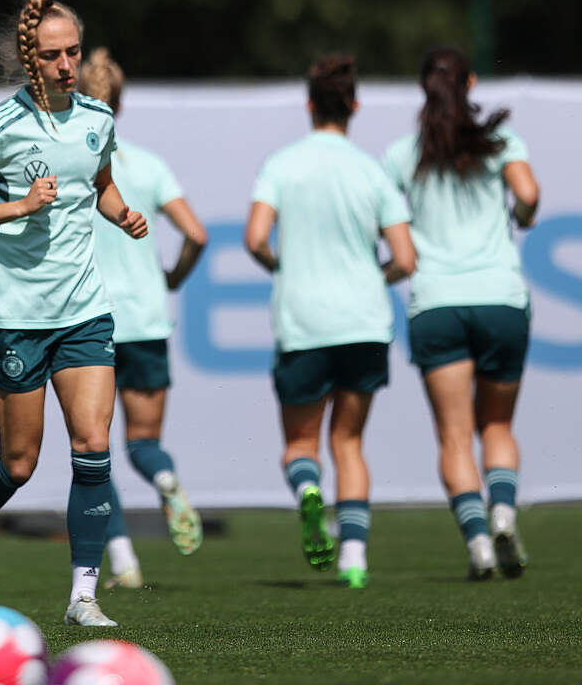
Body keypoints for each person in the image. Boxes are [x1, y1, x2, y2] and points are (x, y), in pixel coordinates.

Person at [0, 0, 147, 627]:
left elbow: (100, 186)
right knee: (19, 463)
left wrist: (122, 213)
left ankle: (84, 594)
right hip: (17, 315)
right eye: (53, 55)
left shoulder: (97, 120)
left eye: (73, 52)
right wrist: (20, 205)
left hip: (83, 309)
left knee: (92, 445)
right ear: (32, 61)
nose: (66, 65)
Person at [244, 54, 416, 589]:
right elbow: (406, 259)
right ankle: (355, 559)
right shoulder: (372, 170)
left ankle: (306, 492)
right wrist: (372, 278)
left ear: (309, 103)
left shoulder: (282, 164)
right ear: (355, 105)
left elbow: (254, 238)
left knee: (302, 446)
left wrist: (282, 267)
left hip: (304, 320)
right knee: (350, 443)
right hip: (364, 322)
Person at [381, 46, 540, 580]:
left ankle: (477, 543)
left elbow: (385, 228)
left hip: (437, 303)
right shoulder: (500, 142)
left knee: (454, 435)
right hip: (500, 297)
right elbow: (529, 195)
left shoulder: (403, 154)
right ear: (471, 83)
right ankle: (502, 511)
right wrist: (520, 214)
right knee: (497, 423)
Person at [77, 49, 209, 588]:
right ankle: (166, 477)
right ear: (122, 103)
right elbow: (197, 234)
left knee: (92, 448)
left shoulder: (73, 165)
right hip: (149, 320)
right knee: (142, 443)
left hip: (92, 321)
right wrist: (173, 277)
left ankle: (124, 561)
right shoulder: (149, 166)